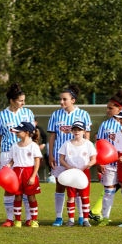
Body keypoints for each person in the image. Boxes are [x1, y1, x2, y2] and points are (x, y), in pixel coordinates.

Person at [47, 85, 92, 226]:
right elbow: (52, 136)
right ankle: (59, 217)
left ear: (73, 100)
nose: (61, 102)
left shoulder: (83, 114)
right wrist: (50, 155)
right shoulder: (55, 115)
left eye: (64, 99)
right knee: (60, 186)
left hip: (79, 160)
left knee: (79, 187)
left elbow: (88, 137)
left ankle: (80, 217)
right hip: (60, 158)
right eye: (60, 99)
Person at [0, 83, 36, 227]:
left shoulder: (28, 113)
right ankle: (10, 219)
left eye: (24, 100)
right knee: (10, 187)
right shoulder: (1, 115)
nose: (23, 103)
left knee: (26, 187)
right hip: (7, 154)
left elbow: (33, 134)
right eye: (20, 100)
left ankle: (29, 218)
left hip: (25, 154)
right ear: (12, 100)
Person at [91, 90, 122, 226]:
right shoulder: (105, 125)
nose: (108, 110)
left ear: (120, 108)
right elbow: (99, 144)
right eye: (107, 107)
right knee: (109, 190)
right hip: (110, 164)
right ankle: (105, 217)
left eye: (110, 108)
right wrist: (100, 162)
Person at [58, 121, 97, 227]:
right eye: (75, 129)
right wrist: (69, 167)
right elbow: (61, 159)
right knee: (71, 196)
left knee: (84, 196)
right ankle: (70, 219)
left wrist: (88, 165)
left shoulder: (88, 144)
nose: (77, 132)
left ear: (84, 131)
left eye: (79, 130)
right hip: (71, 173)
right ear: (71, 131)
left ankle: (85, 219)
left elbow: (93, 159)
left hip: (84, 172)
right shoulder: (67, 144)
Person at [6, 121, 43, 227]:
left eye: (19, 131)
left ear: (27, 132)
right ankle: (17, 220)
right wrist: (8, 166)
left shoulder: (33, 146)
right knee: (17, 196)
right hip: (17, 173)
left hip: (29, 172)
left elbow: (37, 162)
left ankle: (34, 220)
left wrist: (32, 176)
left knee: (31, 196)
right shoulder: (14, 146)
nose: (17, 133)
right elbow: (12, 160)